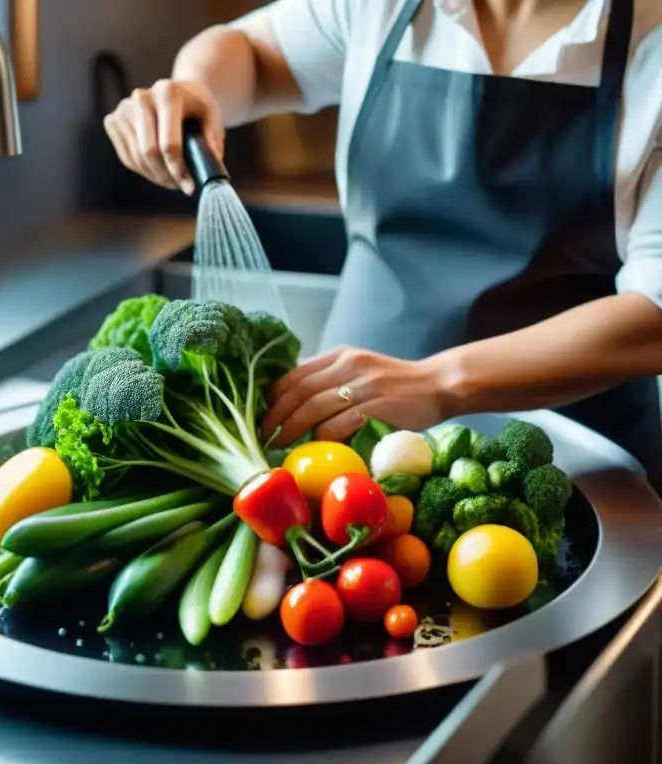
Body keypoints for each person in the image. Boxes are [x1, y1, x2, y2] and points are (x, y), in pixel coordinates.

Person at [104, 0, 662, 488]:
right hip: (342, 451)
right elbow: (247, 50)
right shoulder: (383, 6)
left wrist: (439, 382)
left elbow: (652, 317)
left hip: (569, 472)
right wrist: (197, 86)